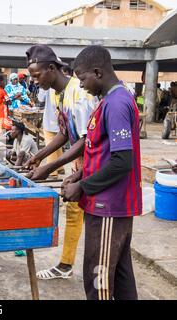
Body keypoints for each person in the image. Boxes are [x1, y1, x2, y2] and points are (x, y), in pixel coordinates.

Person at [63, 45, 142, 300]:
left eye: (83, 78)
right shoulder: (108, 100)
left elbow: (122, 161)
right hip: (106, 204)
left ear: (97, 72)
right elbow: (103, 151)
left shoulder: (117, 103)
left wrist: (83, 186)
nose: (82, 85)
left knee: (99, 278)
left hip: (109, 206)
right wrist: (81, 173)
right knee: (120, 275)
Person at [24, 44, 95, 280]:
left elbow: (86, 140)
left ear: (52, 68)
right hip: (78, 162)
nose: (34, 81)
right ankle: (66, 265)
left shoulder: (80, 93)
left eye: (36, 75)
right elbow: (64, 133)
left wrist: (49, 167)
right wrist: (39, 156)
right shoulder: (56, 93)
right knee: (73, 210)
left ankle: (94, 271)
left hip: (95, 161)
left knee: (92, 216)